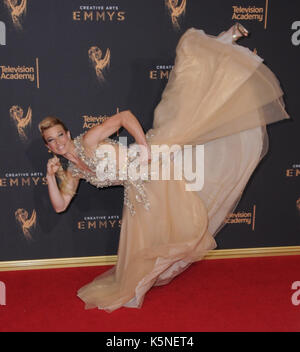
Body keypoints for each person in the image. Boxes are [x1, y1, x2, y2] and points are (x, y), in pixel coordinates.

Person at [39, 23, 290, 312]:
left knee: (189, 109)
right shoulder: (74, 172)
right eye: (51, 141)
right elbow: (60, 205)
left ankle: (224, 41)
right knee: (160, 235)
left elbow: (124, 116)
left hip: (153, 157)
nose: (58, 143)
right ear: (48, 147)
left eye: (60, 135)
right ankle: (140, 284)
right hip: (141, 188)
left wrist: (143, 145)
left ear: (68, 135)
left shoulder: (90, 141)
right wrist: (49, 177)